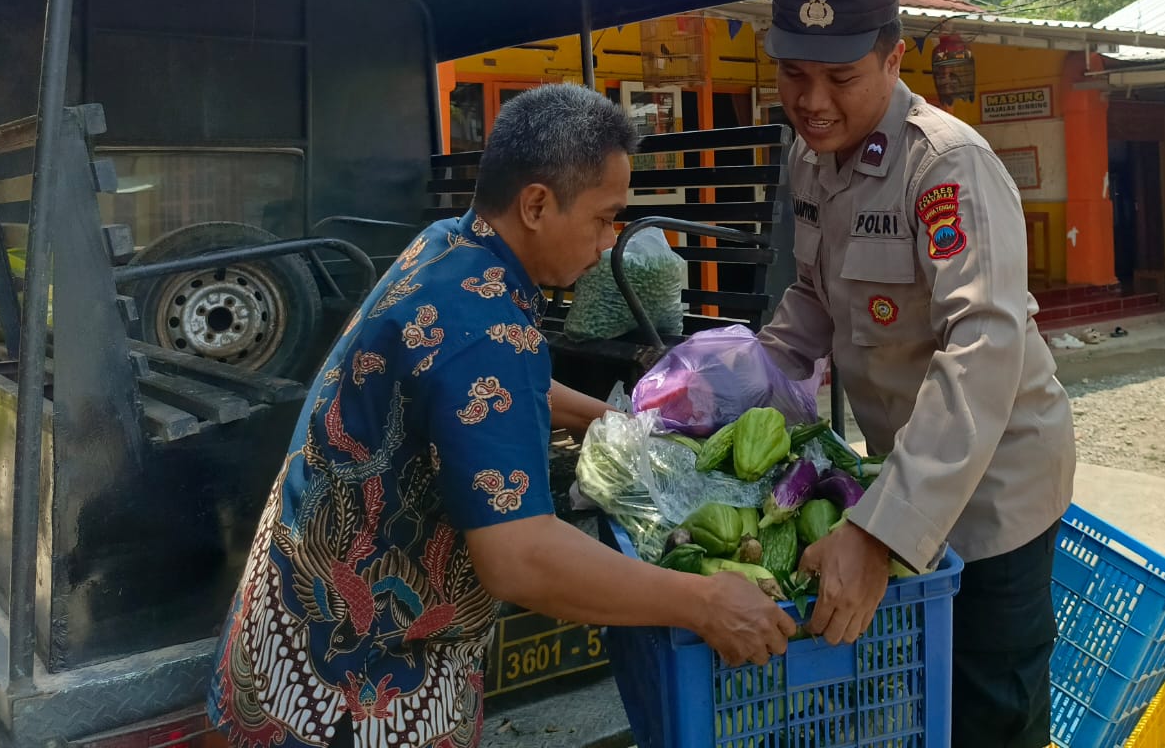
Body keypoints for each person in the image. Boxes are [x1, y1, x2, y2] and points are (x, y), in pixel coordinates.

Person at [209, 85, 796, 748]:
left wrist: (604, 420)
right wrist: (704, 602)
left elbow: (487, 386)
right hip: (353, 687)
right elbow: (521, 559)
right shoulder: (485, 332)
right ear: (537, 204)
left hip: (279, 634)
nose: (609, 245)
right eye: (605, 219)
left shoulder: (450, 251)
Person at [755, 0, 1076, 748]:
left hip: (996, 493)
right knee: (923, 703)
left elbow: (984, 346)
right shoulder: (809, 157)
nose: (812, 102)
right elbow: (814, 298)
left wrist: (877, 532)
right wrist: (730, 382)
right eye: (793, 76)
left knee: (988, 709)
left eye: (840, 78)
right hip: (903, 476)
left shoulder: (945, 166)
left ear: (894, 59)